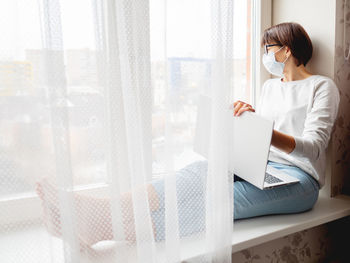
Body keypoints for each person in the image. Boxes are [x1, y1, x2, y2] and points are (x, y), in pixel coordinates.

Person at [36, 22, 340, 249]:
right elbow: (267, 136)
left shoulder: (321, 86)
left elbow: (313, 148)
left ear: (287, 49)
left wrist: (264, 131)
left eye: (269, 49)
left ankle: (102, 226)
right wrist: (249, 117)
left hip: (299, 181)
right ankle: (105, 208)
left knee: (216, 200)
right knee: (198, 171)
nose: (265, 56)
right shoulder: (270, 87)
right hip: (260, 167)